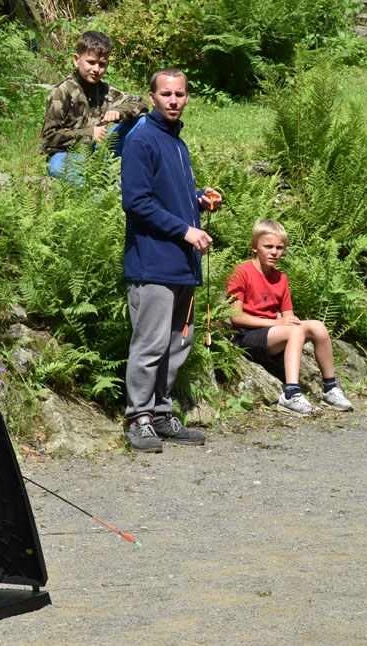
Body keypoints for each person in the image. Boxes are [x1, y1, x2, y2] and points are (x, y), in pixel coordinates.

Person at [120, 67, 221, 453]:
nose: (174, 101)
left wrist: (197, 199)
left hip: (183, 265)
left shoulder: (177, 142)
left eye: (180, 94)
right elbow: (136, 202)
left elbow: (166, 197)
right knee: (150, 344)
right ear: (152, 97)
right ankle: (138, 419)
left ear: (187, 97)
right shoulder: (142, 138)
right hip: (153, 264)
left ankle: (161, 415)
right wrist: (185, 230)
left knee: (178, 344)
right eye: (166, 94)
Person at [226, 219, 354, 416]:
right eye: (268, 246)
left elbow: (289, 319)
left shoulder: (281, 278)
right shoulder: (241, 272)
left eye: (279, 248)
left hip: (272, 335)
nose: (274, 252)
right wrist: (276, 322)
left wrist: (285, 324)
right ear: (254, 247)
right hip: (246, 335)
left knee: (318, 327)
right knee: (294, 331)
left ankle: (330, 389)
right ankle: (291, 394)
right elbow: (236, 318)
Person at [40, 30, 148, 180]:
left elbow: (141, 103)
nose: (96, 69)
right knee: (59, 167)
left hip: (96, 150)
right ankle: (95, 190)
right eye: (91, 62)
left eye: (102, 64)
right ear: (76, 60)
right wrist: (90, 134)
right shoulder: (62, 92)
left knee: (143, 122)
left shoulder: (104, 90)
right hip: (66, 154)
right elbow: (49, 138)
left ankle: (125, 173)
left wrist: (119, 112)